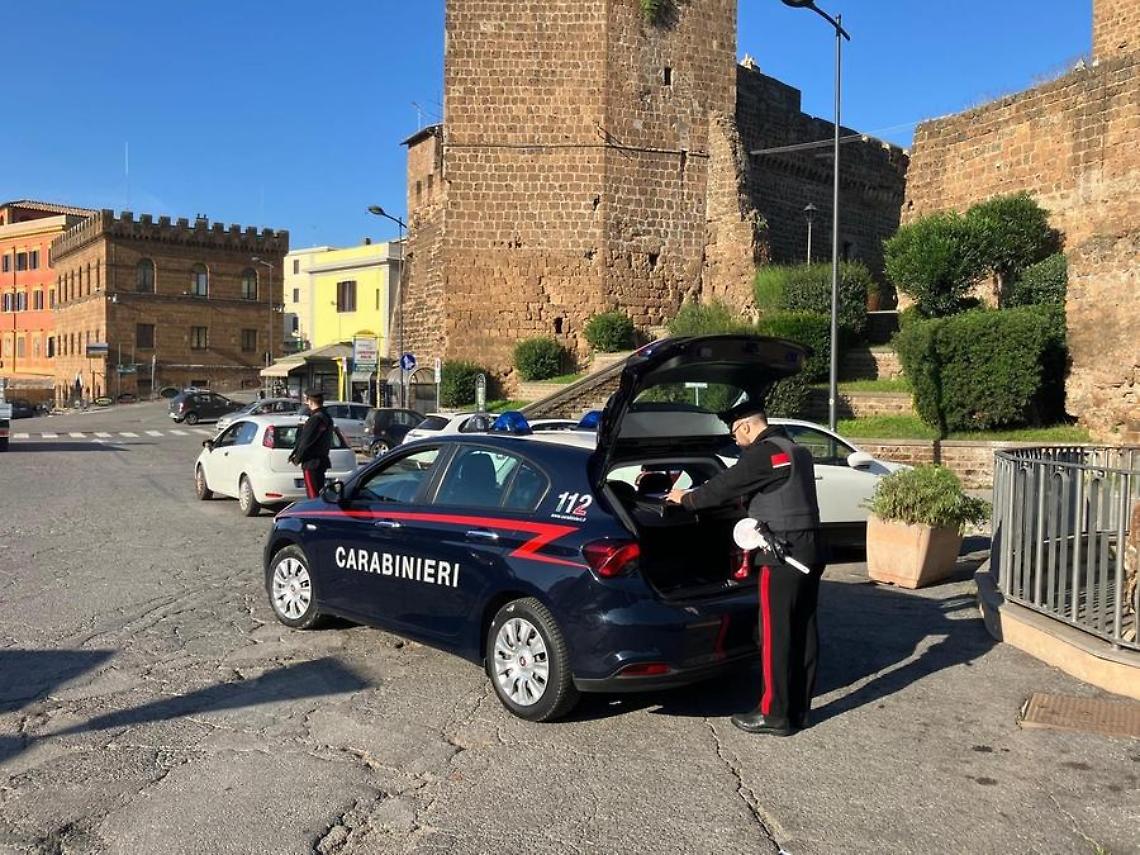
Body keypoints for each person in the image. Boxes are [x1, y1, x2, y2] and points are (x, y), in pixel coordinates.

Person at [665, 402, 827, 736]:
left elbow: (720, 489)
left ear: (747, 427)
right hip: (810, 550)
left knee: (776, 635)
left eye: (735, 433)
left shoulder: (762, 454)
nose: (736, 441)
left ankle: (774, 714)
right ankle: (799, 710)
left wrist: (684, 498)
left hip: (781, 555)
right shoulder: (795, 450)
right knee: (803, 631)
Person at [289, 389, 334, 499]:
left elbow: (306, 441)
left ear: (311, 401)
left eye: (307, 400)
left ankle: (316, 515)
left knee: (313, 495)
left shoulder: (315, 419)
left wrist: (297, 457)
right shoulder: (326, 417)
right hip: (321, 460)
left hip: (311, 462)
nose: (306, 403)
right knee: (319, 492)